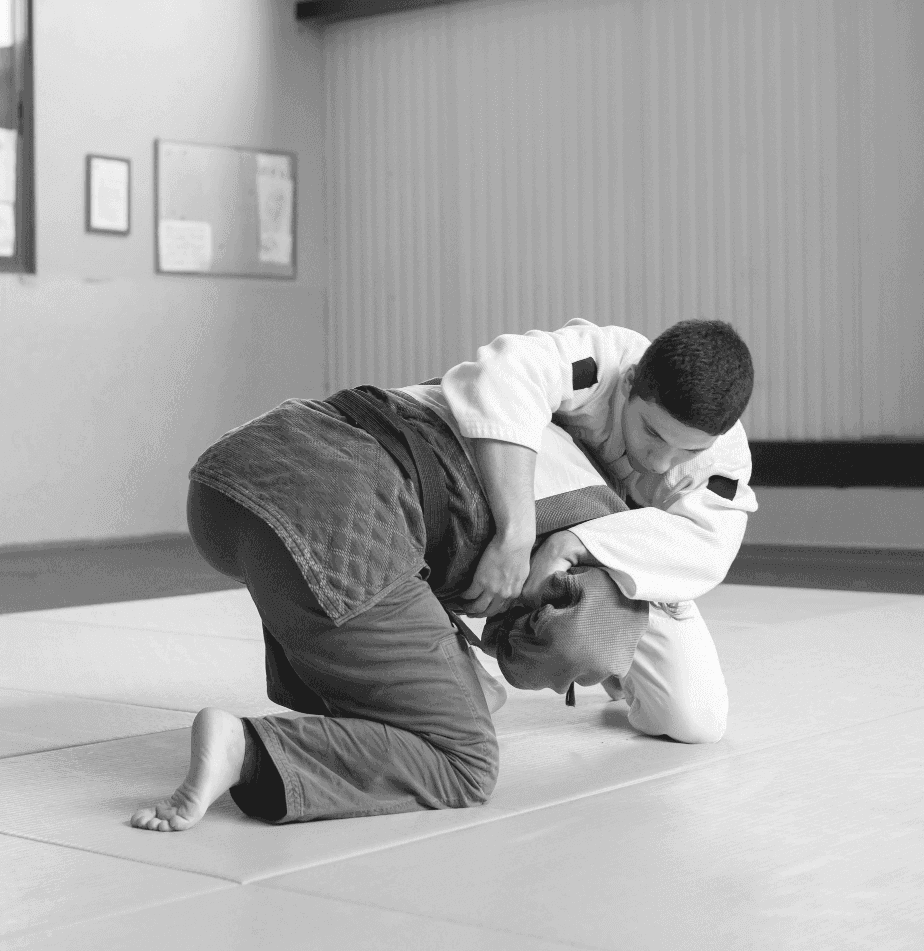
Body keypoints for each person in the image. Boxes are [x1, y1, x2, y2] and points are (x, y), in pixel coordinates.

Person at [130, 318, 755, 832]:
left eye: (687, 451)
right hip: (347, 506)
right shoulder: (595, 365)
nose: (663, 458)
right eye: (651, 432)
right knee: (464, 758)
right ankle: (250, 751)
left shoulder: (715, 465)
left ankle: (441, 675)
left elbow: (704, 550)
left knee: (691, 715)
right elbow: (507, 375)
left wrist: (575, 546)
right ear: (634, 386)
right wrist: (519, 537)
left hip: (249, 478)